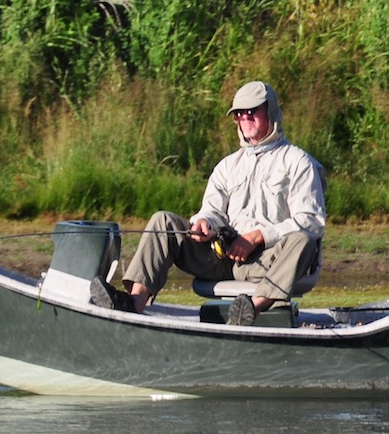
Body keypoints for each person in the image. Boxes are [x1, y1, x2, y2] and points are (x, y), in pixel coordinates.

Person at [118, 81, 325, 325]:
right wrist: (205, 223)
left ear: (270, 112)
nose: (244, 118)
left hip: (268, 261)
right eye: (239, 114)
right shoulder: (227, 166)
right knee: (163, 221)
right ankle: (133, 305)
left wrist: (257, 236)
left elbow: (311, 222)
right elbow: (211, 209)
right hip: (222, 257)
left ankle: (249, 310)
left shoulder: (298, 162)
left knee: (303, 240)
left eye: (251, 111)